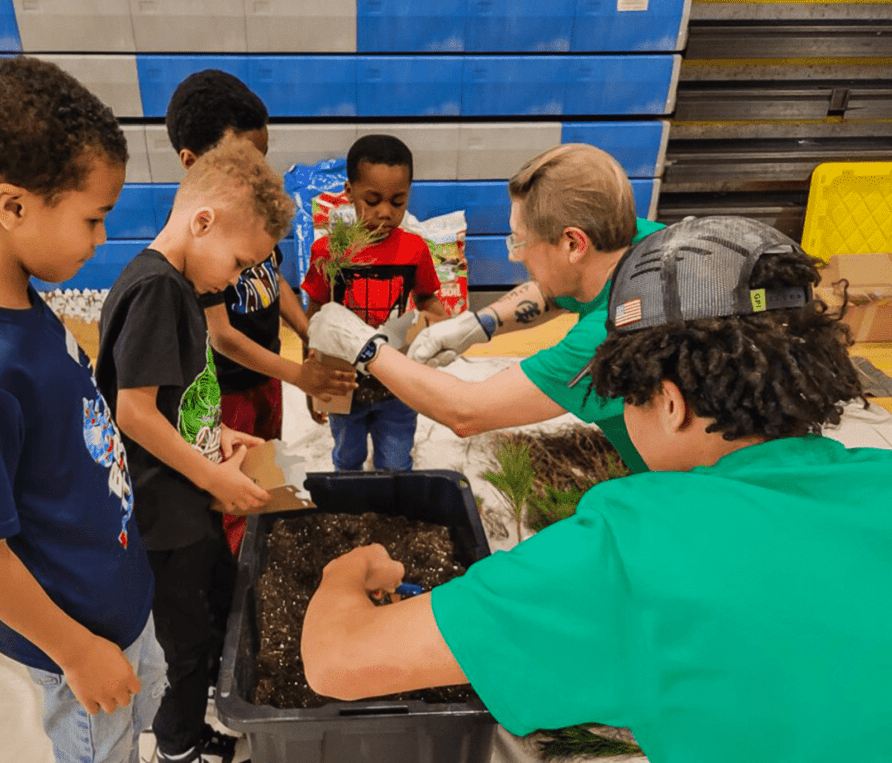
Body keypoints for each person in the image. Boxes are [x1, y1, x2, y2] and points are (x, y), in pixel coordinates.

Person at [301, 215, 892, 762]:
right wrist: (489, 318)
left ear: (669, 402)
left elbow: (337, 661)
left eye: (622, 397)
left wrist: (348, 571)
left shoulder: (635, 546)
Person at [0, 56, 166, 763]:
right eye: (94, 219)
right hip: (76, 636)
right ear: (13, 205)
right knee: (103, 745)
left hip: (111, 590)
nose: (99, 240)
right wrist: (79, 652)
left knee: (138, 710)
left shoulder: (21, 295)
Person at [95, 136, 294, 763]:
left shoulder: (179, 286)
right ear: (201, 221)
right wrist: (214, 475)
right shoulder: (157, 290)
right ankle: (178, 744)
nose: (236, 279)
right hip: (164, 514)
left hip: (188, 500)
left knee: (212, 605)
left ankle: (197, 702)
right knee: (184, 641)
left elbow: (179, 398)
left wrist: (217, 432)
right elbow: (133, 412)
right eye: (237, 263)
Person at [311, 143, 665, 472]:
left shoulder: (610, 340)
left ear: (574, 242)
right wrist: (481, 323)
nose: (515, 254)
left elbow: (467, 413)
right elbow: (558, 290)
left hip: (691, 492)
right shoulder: (639, 240)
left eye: (521, 240)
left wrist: (365, 346)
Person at [166, 68, 354, 555]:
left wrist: (309, 333)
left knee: (268, 462)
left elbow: (274, 281)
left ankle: (264, 536)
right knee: (235, 484)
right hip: (226, 390)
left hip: (267, 372)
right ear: (192, 163)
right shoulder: (199, 239)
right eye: (244, 162)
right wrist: (300, 375)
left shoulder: (246, 214)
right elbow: (222, 336)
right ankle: (241, 565)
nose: (261, 176)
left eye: (263, 159)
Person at [300, 134, 449, 471]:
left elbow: (428, 298)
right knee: (347, 457)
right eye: (373, 200)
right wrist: (310, 380)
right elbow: (314, 318)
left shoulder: (414, 250)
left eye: (398, 202)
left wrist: (445, 326)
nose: (385, 213)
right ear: (349, 192)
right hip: (343, 380)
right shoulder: (329, 253)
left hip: (398, 380)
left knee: (396, 461)